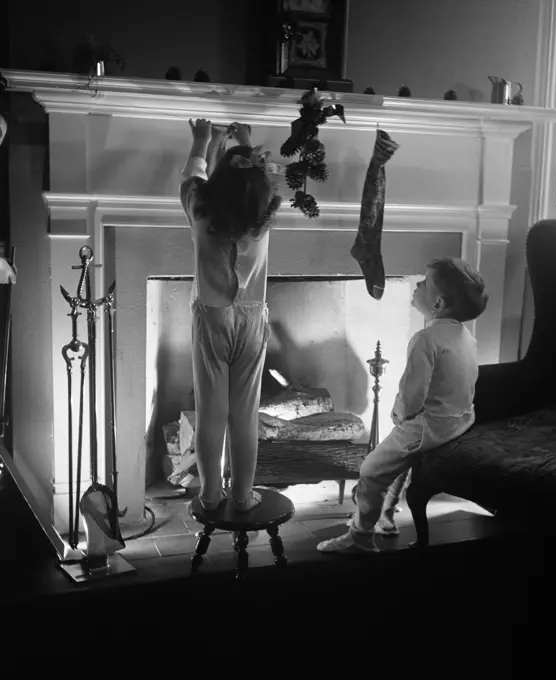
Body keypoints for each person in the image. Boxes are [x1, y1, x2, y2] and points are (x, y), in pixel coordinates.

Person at [318, 257, 488, 553]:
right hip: (460, 420)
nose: (417, 285)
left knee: (371, 469)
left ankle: (359, 537)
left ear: (437, 303)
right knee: (396, 461)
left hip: (430, 426)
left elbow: (411, 396)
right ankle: (385, 514)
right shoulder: (466, 336)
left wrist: (399, 415)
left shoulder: (426, 338)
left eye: (424, 282)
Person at [180, 118, 282, 514]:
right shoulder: (265, 213)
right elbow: (251, 183)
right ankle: (242, 495)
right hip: (253, 319)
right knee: (245, 414)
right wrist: (245, 141)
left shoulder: (200, 207)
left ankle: (209, 494)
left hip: (213, 316)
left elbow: (194, 174)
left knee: (212, 413)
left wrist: (204, 140)